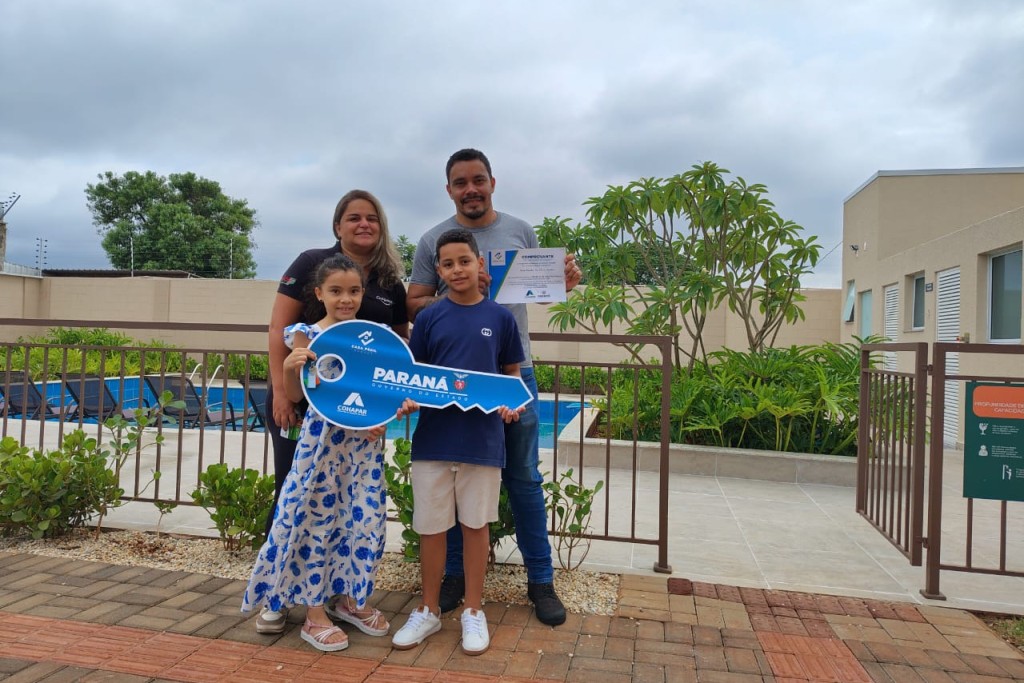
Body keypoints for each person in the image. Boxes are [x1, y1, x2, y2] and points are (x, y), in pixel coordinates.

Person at [406, 149, 583, 626]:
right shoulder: (432, 240)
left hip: (512, 373)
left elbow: (537, 291)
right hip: (454, 381)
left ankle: (541, 580)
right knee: (456, 473)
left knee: (524, 478)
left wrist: (563, 282)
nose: (471, 189)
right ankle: (455, 579)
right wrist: (461, 289)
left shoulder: (521, 231)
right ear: (449, 189)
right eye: (460, 182)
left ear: (492, 182)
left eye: (478, 180)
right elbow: (414, 303)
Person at [243, 254, 410, 652]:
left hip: (362, 449)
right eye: (336, 291)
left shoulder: (372, 337)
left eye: (353, 291)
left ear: (363, 293)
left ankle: (350, 598)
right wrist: (290, 368)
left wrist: (384, 415)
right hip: (320, 447)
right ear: (319, 293)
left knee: (363, 520)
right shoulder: (306, 335)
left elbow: (380, 391)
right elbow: (298, 395)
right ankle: (313, 612)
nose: (345, 299)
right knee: (313, 521)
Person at [391, 228, 526, 655]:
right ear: (439, 270)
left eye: (464, 261)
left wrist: (511, 404)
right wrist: (407, 398)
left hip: (483, 443)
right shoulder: (429, 318)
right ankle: (428, 610)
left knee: (475, 527)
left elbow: (512, 375)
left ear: (479, 264)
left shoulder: (501, 318)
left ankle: (473, 610)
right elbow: (416, 376)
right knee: (431, 529)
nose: (457, 270)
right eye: (447, 264)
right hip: (433, 441)